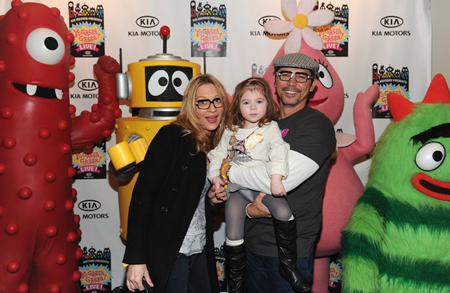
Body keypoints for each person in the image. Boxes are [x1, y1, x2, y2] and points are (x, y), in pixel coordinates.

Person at [221, 53, 337, 292]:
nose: (292, 82)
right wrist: (244, 205)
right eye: (285, 75)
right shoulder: (259, 124)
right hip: (250, 246)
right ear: (274, 81)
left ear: (314, 84)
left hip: (291, 251)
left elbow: (279, 178)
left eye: (301, 77)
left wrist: (230, 173)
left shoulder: (317, 125)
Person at [123, 74, 230, 293]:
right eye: (203, 102)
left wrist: (212, 200)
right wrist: (135, 259)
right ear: (191, 106)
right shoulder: (171, 137)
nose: (212, 109)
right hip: (169, 248)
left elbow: (197, 201)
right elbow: (143, 198)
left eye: (217, 100)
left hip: (200, 246)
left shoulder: (219, 145)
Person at [208, 77, 310, 292]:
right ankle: (234, 284)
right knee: (233, 234)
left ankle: (288, 266)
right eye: (246, 102)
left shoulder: (270, 127)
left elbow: (279, 152)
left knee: (283, 213)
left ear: (268, 103)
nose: (253, 107)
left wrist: (275, 178)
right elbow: (216, 155)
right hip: (234, 188)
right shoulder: (230, 129)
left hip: (259, 186)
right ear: (238, 105)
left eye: (259, 101)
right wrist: (215, 177)